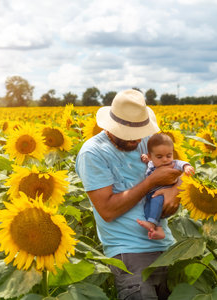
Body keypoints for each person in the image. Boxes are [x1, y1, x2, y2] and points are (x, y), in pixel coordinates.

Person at [75, 89, 182, 300]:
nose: (135, 140)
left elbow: (178, 171)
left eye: (138, 133)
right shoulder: (93, 153)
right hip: (129, 252)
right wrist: (151, 182)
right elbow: (107, 210)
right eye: (127, 134)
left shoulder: (148, 140)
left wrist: (175, 191)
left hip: (167, 246)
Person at [137, 133, 195, 240]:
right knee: (147, 209)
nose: (165, 159)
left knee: (156, 205)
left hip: (162, 194)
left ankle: (152, 224)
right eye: (160, 157)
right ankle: (158, 229)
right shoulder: (152, 163)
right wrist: (146, 158)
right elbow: (149, 162)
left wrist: (187, 167)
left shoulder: (172, 164)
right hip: (150, 193)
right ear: (151, 156)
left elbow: (181, 163)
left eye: (169, 155)